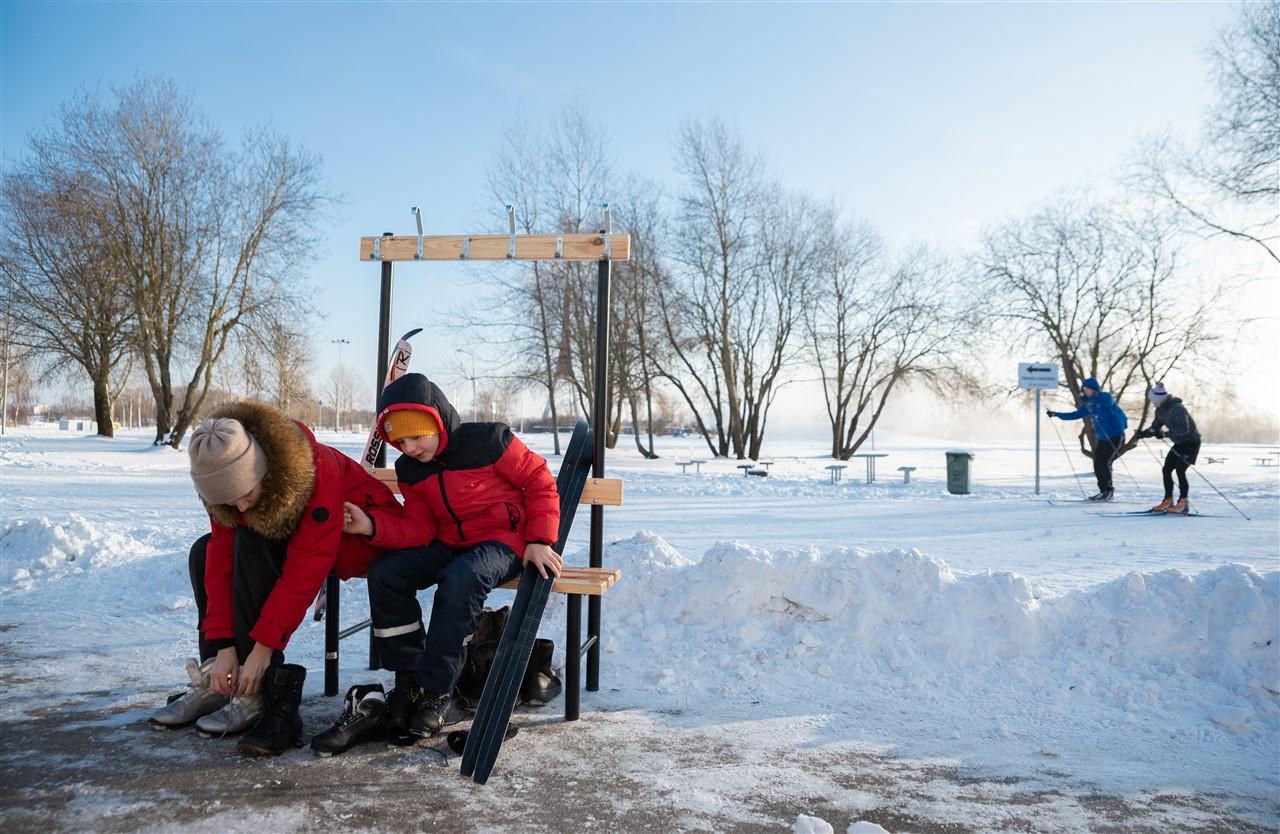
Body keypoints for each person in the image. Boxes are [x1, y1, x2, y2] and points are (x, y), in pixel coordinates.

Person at [148, 401, 401, 757]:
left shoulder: (315, 469)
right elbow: (220, 558)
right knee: (204, 551)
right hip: (293, 542)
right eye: (228, 502)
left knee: (251, 545)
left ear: (263, 472)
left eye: (246, 495)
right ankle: (221, 681)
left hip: (354, 538)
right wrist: (223, 646)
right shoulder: (225, 486)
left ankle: (255, 692)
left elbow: (307, 566)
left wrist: (262, 650)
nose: (240, 508)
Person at [340, 372, 562, 746]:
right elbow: (420, 528)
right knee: (386, 573)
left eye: (415, 435)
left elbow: (539, 480)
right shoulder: (412, 470)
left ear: (438, 419)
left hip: (501, 542)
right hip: (448, 541)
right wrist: (372, 526)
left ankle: (437, 691)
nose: (408, 448)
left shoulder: (489, 441)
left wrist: (540, 539)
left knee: (461, 578)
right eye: (400, 441)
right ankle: (409, 680)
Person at [1047, 376, 1129, 501]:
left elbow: (1110, 405)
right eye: (1084, 389)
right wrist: (1056, 414)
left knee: (1104, 462)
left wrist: (1094, 403)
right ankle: (1103, 491)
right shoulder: (1089, 405)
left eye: (1087, 389)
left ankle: (1108, 491)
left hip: (1115, 436)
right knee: (1097, 463)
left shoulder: (1105, 398)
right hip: (1103, 438)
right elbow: (1075, 414)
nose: (1085, 391)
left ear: (1093, 389)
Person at [1133, 382, 1201, 514]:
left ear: (1159, 399)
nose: (1153, 404)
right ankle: (1168, 500)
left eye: (1153, 401)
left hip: (1191, 442)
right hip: (1179, 443)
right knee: (1166, 469)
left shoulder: (1177, 408)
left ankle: (1183, 502)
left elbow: (1184, 430)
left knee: (1180, 470)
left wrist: (1164, 434)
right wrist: (1143, 434)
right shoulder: (1160, 410)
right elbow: (1155, 427)